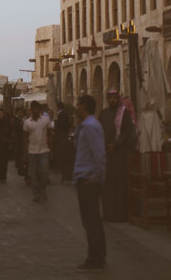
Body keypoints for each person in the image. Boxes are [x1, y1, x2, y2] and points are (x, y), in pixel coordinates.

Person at [72, 94, 107, 273]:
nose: (76, 107)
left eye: (78, 104)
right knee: (93, 220)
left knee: (90, 221)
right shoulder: (85, 126)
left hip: (88, 179)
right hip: (85, 177)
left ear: (84, 106)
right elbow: (78, 145)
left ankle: (95, 258)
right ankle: (100, 255)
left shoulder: (91, 126)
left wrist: (95, 177)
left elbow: (99, 154)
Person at [97, 87, 136, 221]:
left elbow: (127, 132)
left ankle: (120, 214)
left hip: (119, 154)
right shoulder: (103, 113)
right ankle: (108, 213)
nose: (112, 100)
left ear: (118, 98)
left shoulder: (123, 114)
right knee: (107, 185)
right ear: (107, 98)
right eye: (110, 97)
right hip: (106, 154)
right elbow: (99, 131)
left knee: (119, 184)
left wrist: (115, 144)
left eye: (115, 97)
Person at [22, 101, 53, 202]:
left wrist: (52, 149)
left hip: (44, 150)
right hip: (32, 151)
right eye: (33, 108)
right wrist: (24, 153)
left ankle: (42, 190)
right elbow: (25, 138)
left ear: (39, 109)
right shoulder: (27, 122)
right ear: (31, 110)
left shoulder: (46, 120)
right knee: (34, 174)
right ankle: (36, 193)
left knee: (44, 172)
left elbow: (50, 135)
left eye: (36, 108)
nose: (35, 110)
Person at [55, 101, 75, 183]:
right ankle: (67, 176)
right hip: (65, 137)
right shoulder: (66, 114)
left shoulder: (61, 114)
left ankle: (66, 176)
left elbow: (62, 126)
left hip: (61, 138)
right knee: (67, 158)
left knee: (63, 158)